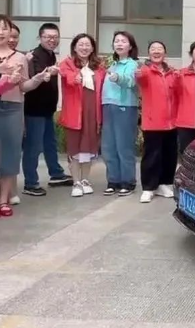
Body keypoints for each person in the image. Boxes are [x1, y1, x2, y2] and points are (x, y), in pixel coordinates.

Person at [0, 15, 52, 218]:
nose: (1, 32)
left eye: (5, 28)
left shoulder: (20, 57)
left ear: (11, 32)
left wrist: (37, 79)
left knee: (10, 155)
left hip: (13, 109)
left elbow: (23, 86)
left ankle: (4, 199)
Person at [21, 22, 72, 196]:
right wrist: (47, 73)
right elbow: (33, 78)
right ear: (40, 38)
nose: (52, 40)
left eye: (55, 37)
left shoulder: (50, 55)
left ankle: (56, 174)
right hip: (34, 109)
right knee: (33, 147)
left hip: (47, 109)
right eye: (48, 37)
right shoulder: (34, 56)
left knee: (50, 143)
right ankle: (30, 183)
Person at [59, 34, 106, 198]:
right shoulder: (67, 64)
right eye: (81, 44)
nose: (84, 48)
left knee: (89, 147)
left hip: (93, 112)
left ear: (92, 48)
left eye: (88, 45)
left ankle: (85, 180)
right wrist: (76, 78)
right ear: (74, 47)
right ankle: (76, 182)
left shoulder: (99, 67)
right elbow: (68, 78)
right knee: (75, 147)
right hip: (74, 112)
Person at [136, 41, 178, 203]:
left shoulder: (172, 72)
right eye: (153, 49)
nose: (156, 51)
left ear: (165, 53)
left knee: (169, 155)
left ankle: (164, 184)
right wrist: (138, 73)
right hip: (152, 122)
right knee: (151, 156)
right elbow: (140, 78)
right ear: (149, 53)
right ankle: (148, 187)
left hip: (171, 121)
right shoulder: (145, 71)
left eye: (160, 49)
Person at [101, 31, 140, 196]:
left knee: (124, 146)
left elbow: (131, 81)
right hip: (107, 106)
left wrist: (118, 78)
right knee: (109, 146)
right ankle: (113, 181)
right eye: (116, 41)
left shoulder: (133, 64)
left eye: (123, 41)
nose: (119, 44)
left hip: (125, 107)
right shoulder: (112, 64)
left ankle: (128, 181)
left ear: (130, 46)